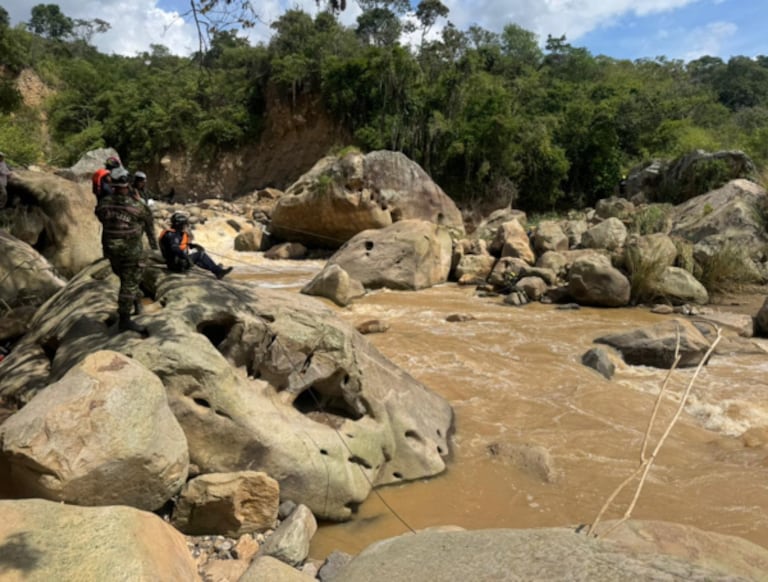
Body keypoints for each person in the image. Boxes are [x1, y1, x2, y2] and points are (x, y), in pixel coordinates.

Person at [95, 166, 158, 335]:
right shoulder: (137, 205)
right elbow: (149, 222)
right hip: (131, 251)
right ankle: (124, 320)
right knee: (129, 283)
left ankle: (136, 302)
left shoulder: (103, 203)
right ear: (128, 184)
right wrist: (154, 247)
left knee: (126, 279)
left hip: (111, 250)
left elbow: (100, 215)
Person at [159, 212, 233, 280]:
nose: (185, 226)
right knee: (200, 255)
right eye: (184, 224)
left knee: (198, 258)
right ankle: (218, 271)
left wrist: (192, 246)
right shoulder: (173, 235)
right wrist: (186, 257)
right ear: (180, 225)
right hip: (177, 265)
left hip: (173, 263)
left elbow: (177, 245)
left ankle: (215, 269)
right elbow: (174, 248)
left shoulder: (171, 233)